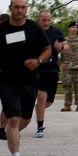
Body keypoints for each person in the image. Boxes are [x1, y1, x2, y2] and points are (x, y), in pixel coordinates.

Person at [0, 0, 51, 156]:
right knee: (13, 118)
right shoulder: (0, 29)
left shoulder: (34, 28)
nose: (20, 10)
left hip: (30, 80)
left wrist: (38, 61)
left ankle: (14, 136)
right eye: (16, 7)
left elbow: (47, 49)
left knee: (25, 120)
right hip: (8, 80)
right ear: (10, 8)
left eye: (23, 7)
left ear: (27, 9)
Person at [33, 9, 65, 138]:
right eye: (43, 20)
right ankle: (40, 127)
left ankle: (38, 108)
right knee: (41, 97)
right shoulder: (33, 31)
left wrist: (61, 47)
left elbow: (66, 45)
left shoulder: (56, 31)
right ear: (38, 19)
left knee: (49, 101)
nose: (46, 23)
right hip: (38, 69)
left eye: (48, 20)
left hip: (52, 70)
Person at [60, 21, 78, 112]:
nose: (75, 29)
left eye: (76, 27)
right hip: (67, 68)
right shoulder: (64, 41)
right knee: (67, 87)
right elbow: (57, 52)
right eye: (73, 27)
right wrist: (60, 63)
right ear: (69, 29)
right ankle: (67, 105)